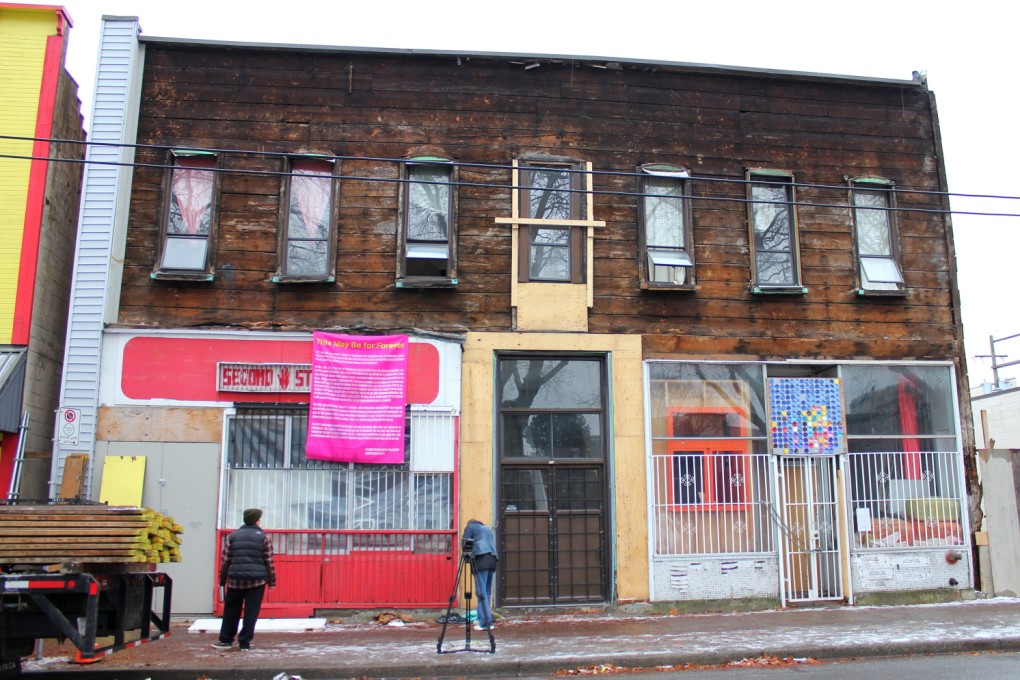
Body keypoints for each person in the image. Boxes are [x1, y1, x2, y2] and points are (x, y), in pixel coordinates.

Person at [213, 508, 276, 651]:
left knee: (231, 610)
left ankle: (226, 640)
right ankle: (244, 643)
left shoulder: (233, 536)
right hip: (257, 581)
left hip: (235, 580)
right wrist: (272, 582)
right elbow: (269, 561)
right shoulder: (263, 537)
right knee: (251, 612)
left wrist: (222, 580)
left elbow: (226, 560)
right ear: (257, 520)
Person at [462, 519, 498, 631]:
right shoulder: (486, 529)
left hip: (481, 559)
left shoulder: (470, 527)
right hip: (492, 559)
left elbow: (466, 543)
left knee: (481, 592)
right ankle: (482, 618)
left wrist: (466, 554)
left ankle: (485, 623)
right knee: (486, 592)